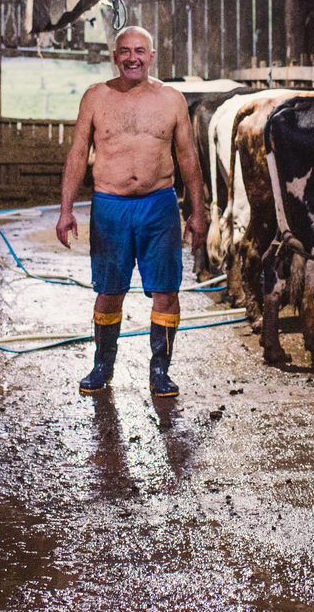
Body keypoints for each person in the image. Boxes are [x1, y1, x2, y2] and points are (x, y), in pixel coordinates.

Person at [55, 26, 207, 397]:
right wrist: (65, 209)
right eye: (125, 51)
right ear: (115, 56)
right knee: (109, 291)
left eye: (140, 50)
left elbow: (188, 156)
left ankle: (160, 371)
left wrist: (198, 211)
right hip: (111, 206)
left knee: (166, 291)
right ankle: (102, 366)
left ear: (152, 56)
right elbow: (77, 153)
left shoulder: (172, 99)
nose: (132, 57)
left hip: (159, 205)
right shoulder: (96, 97)